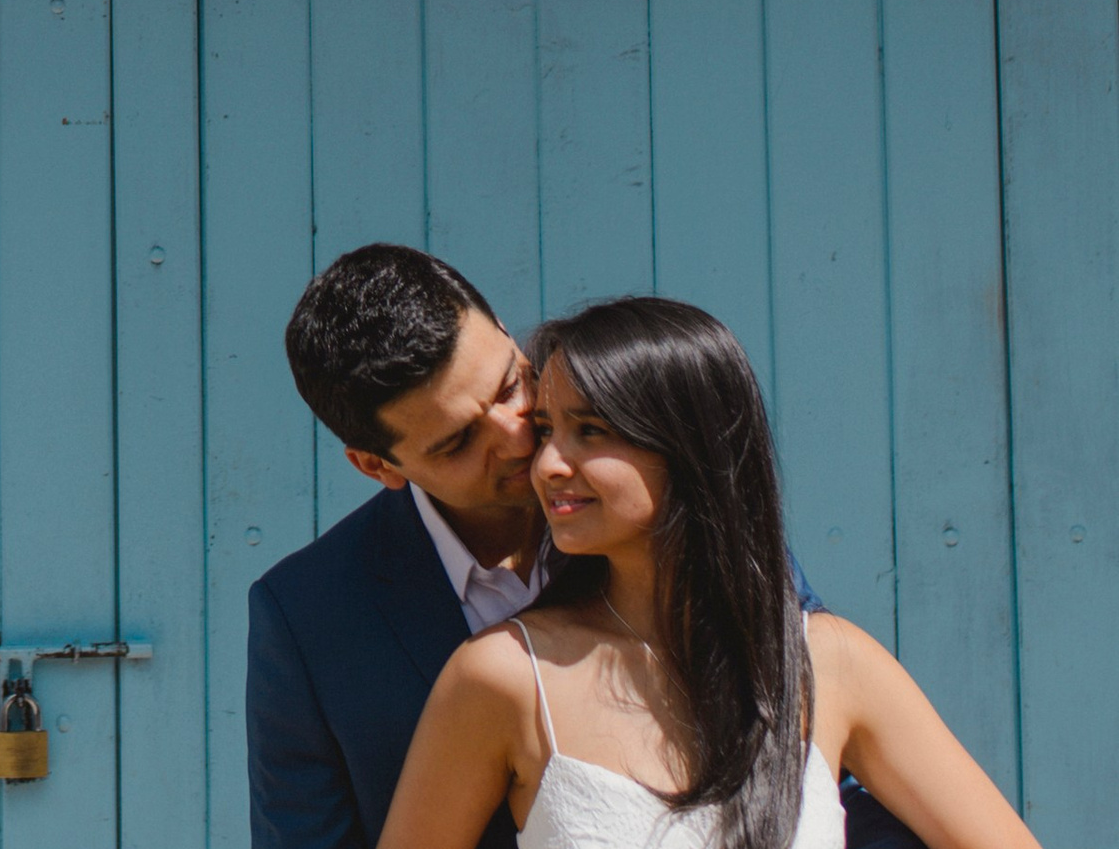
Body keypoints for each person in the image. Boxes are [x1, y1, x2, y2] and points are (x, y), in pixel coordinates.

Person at [249, 247, 919, 849]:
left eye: (511, 385)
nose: (517, 439)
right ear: (377, 466)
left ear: (509, 337)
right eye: (457, 442)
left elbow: (825, 771)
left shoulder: (669, 523)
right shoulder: (309, 617)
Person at [376, 296, 1040, 849]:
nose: (546, 464)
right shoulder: (501, 678)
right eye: (547, 429)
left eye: (592, 431)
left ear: (690, 445)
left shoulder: (828, 663)